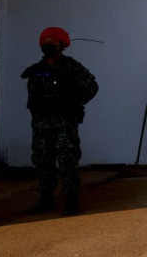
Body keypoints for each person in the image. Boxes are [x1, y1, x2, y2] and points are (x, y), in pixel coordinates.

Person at [21, 27, 98, 216]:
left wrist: (72, 103)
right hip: (41, 125)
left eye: (52, 42)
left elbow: (92, 87)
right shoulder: (36, 70)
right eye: (45, 42)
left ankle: (72, 201)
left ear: (62, 45)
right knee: (42, 162)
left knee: (67, 162)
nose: (48, 45)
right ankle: (46, 200)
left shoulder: (71, 67)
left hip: (64, 125)